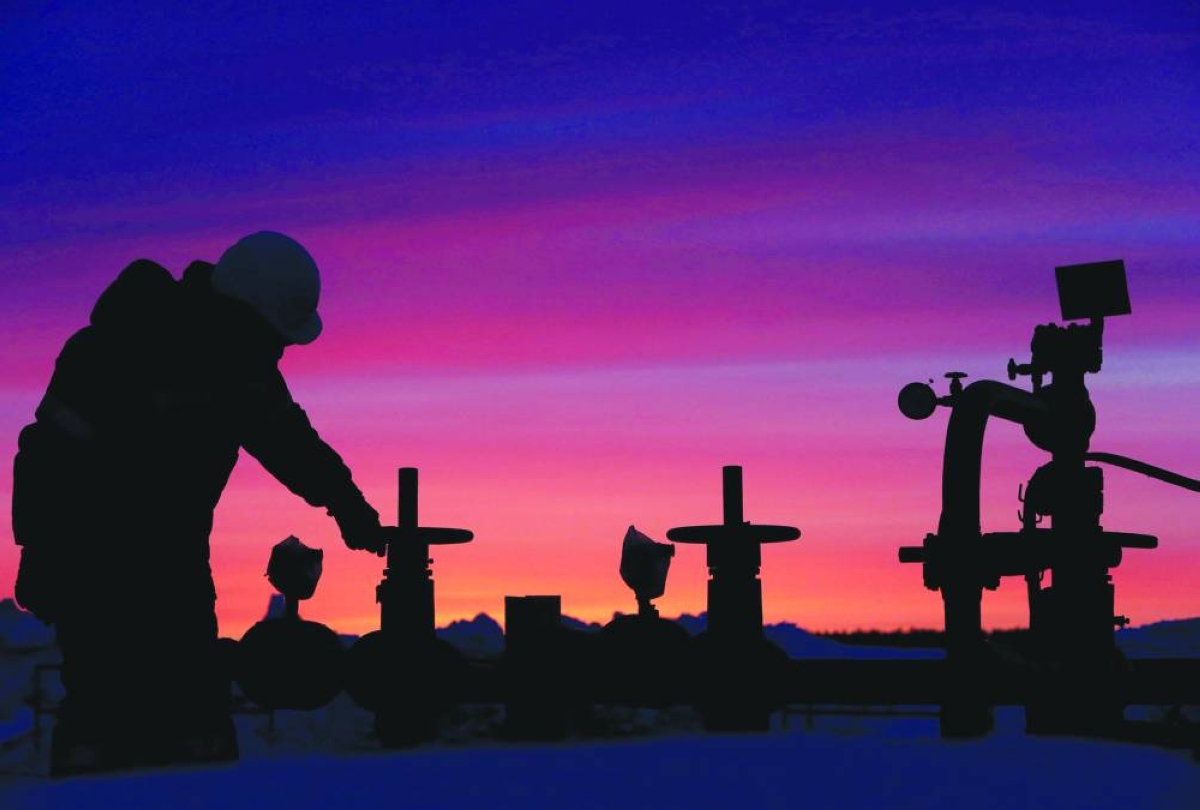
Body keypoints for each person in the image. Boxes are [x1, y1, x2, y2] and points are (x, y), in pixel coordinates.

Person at [11, 232, 388, 774]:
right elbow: (46, 457)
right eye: (274, 337)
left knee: (194, 719)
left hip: (175, 565)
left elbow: (290, 442)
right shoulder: (114, 348)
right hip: (92, 567)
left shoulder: (241, 370)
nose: (279, 351)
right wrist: (40, 550)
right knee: (105, 714)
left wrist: (346, 503)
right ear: (245, 314)